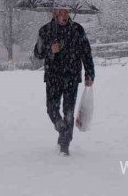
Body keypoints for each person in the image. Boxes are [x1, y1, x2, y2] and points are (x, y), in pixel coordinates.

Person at [33, 8, 95, 156]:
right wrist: (50, 49)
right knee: (51, 109)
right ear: (54, 13)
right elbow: (37, 54)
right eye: (61, 12)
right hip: (53, 77)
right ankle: (63, 130)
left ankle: (65, 145)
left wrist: (90, 73)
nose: (65, 15)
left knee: (68, 112)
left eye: (67, 12)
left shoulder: (77, 30)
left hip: (71, 77)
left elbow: (86, 53)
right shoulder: (45, 30)